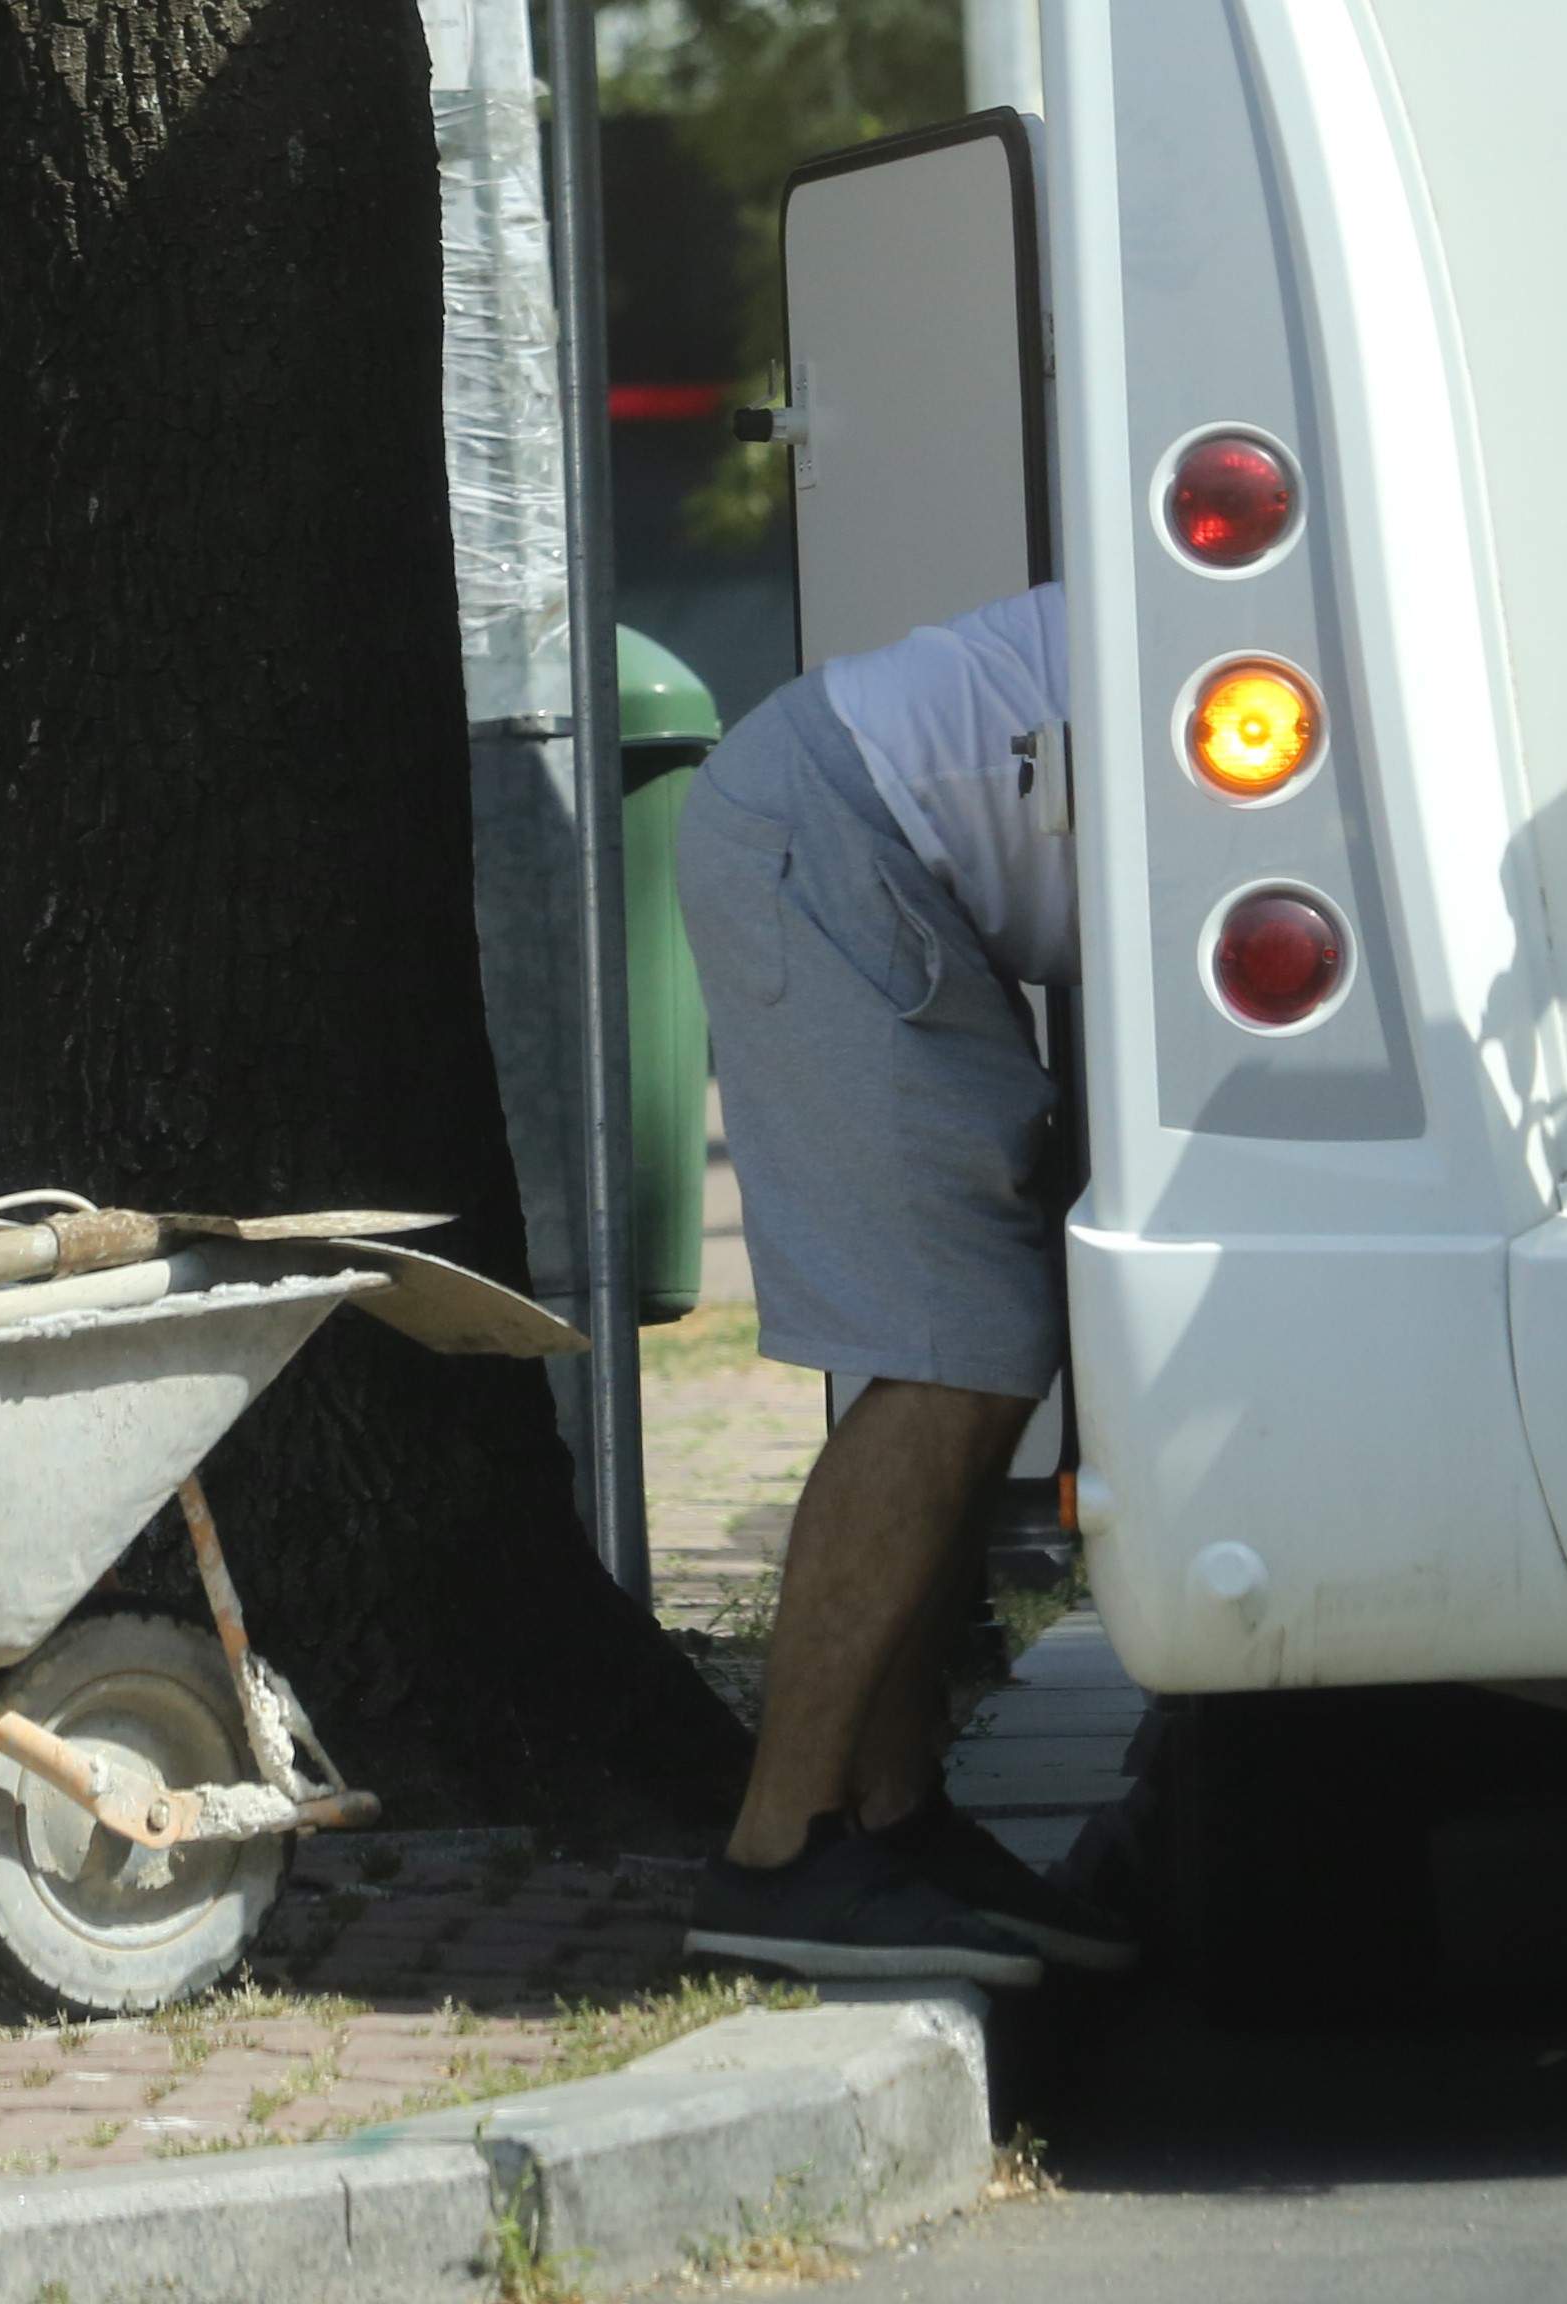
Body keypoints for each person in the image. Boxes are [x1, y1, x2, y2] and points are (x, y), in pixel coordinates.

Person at [671, 581, 1135, 1988]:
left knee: (964, 1341)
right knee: (952, 1350)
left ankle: (888, 1822)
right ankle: (780, 1854)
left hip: (856, 830)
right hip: (828, 829)